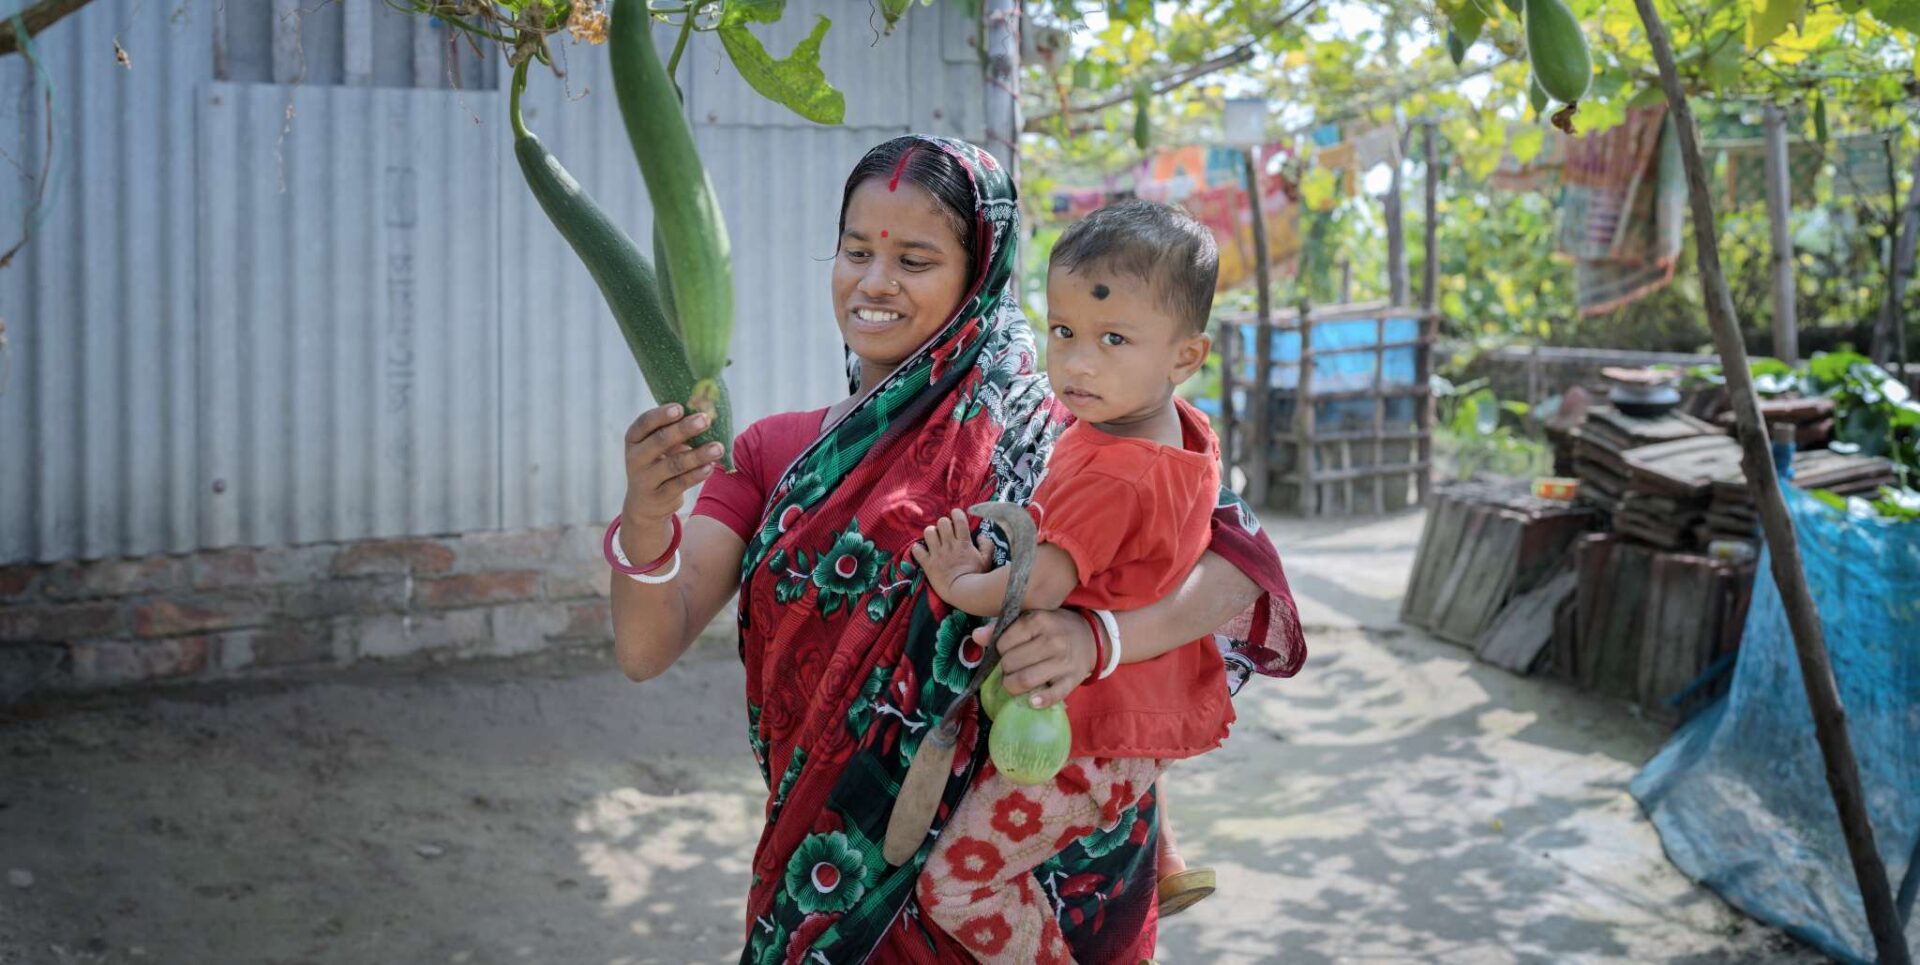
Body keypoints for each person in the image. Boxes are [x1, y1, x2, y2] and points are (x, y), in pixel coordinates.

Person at [607, 134, 1305, 964]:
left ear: (979, 274)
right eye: (856, 250)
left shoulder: (1074, 416)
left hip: (1035, 868)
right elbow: (649, 645)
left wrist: (1099, 639)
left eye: (915, 258)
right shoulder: (777, 453)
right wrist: (648, 517)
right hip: (836, 870)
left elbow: (1236, 570)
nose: (875, 281)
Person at [910, 200, 1237, 962]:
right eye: (1063, 332)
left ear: (1185, 356)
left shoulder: (1108, 476)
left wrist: (961, 583)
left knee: (956, 886)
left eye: (1113, 339)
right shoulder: (1183, 431)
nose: (1079, 362)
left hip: (1089, 730)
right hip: (1142, 707)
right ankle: (1166, 856)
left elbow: (1038, 585)